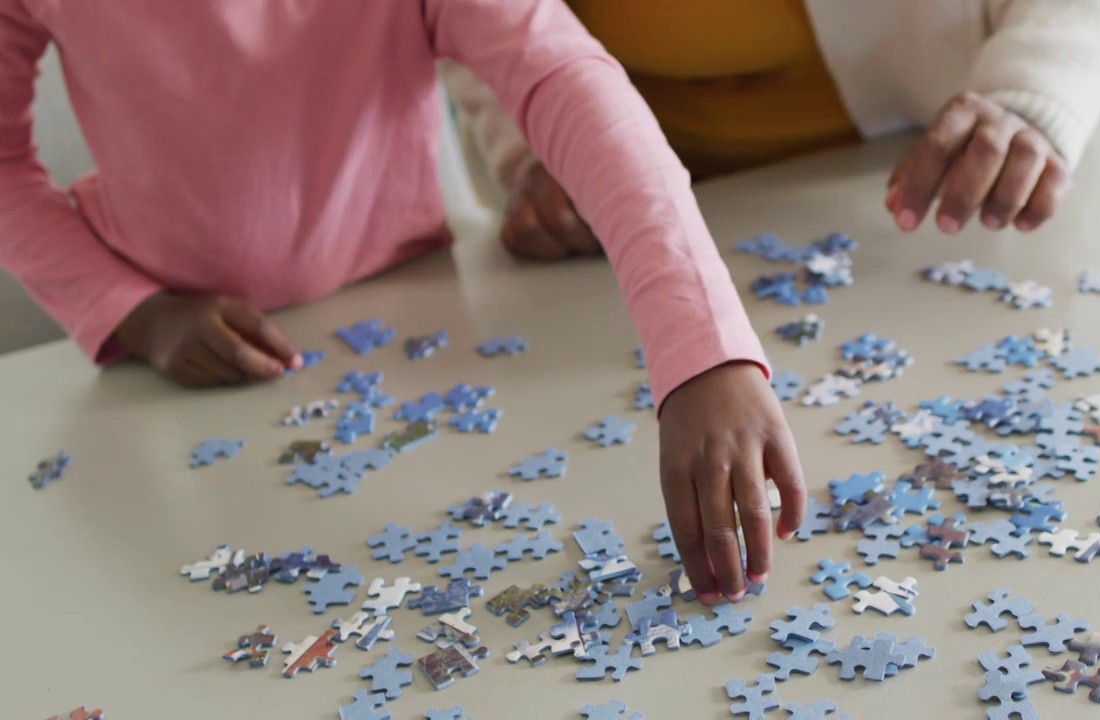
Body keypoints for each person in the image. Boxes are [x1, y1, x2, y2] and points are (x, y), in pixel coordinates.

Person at [0, 0, 804, 604]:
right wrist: (128, 307)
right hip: (168, 381)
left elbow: (561, 73)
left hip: (421, 323)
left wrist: (702, 347)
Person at [442, 0, 1100, 259]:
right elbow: (471, 19)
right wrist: (541, 150)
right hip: (654, 227)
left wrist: (1031, 96)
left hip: (930, 193)